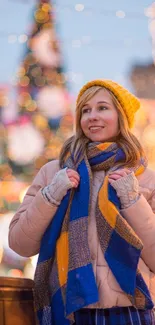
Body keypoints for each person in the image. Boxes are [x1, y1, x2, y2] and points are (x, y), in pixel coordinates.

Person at [9, 79, 155, 325]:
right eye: (85, 110)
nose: (92, 116)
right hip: (70, 310)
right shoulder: (53, 172)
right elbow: (20, 243)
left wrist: (132, 200)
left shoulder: (145, 178)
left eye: (102, 108)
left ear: (121, 117)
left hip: (130, 311)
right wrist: (51, 194)